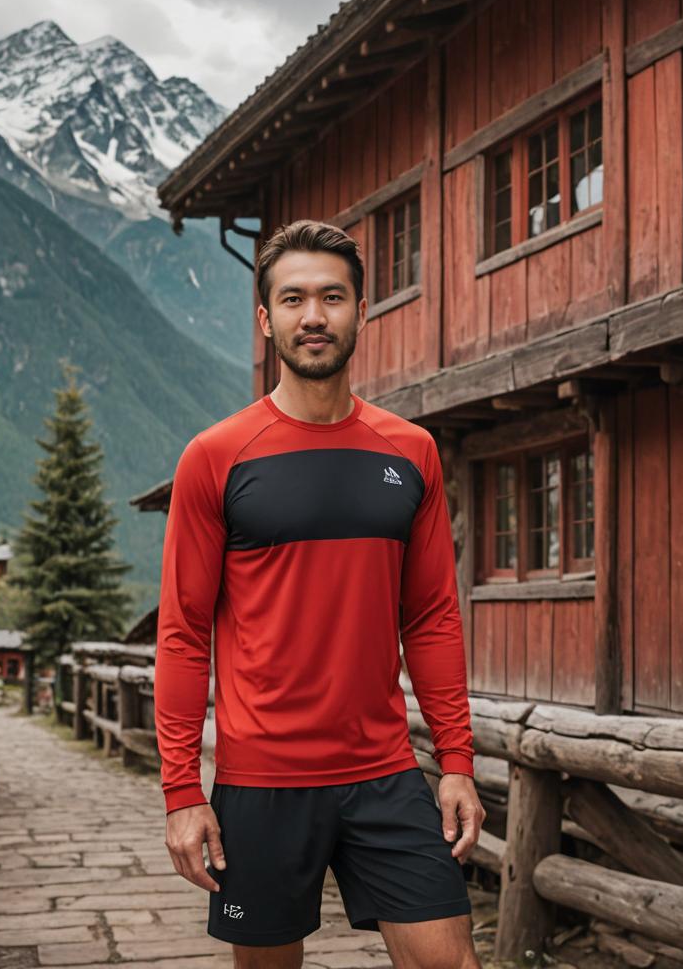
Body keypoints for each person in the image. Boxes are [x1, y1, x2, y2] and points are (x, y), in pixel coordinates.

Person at [155, 220, 486, 969]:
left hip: (387, 774)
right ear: (267, 320)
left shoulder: (410, 452)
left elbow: (431, 617)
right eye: (295, 299)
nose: (315, 316)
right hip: (261, 782)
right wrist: (181, 791)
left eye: (333, 297)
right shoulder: (216, 458)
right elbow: (183, 632)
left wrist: (457, 761)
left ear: (361, 311)